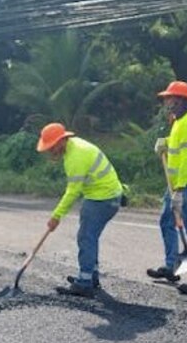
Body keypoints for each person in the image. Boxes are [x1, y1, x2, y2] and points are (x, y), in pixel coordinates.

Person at [36, 122, 124, 298]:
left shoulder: (76, 156)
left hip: (102, 198)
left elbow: (72, 192)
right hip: (107, 195)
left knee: (85, 237)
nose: (50, 151)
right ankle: (91, 277)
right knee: (90, 237)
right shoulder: (75, 146)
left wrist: (56, 216)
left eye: (51, 147)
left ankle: (84, 283)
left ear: (61, 141)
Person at [148, 80, 187, 295]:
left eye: (172, 99)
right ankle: (171, 265)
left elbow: (186, 159)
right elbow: (178, 144)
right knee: (167, 221)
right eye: (167, 99)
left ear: (184, 101)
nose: (168, 103)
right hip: (176, 184)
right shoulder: (179, 121)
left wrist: (179, 189)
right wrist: (166, 142)